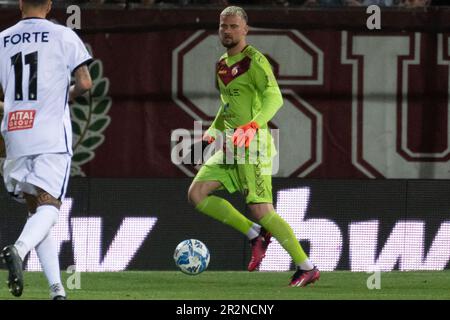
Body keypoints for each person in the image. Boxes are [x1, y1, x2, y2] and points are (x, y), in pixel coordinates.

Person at [187, 6, 320, 287]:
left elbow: (275, 98)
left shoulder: (255, 61)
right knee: (197, 194)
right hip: (232, 146)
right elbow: (227, 108)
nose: (227, 30)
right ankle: (255, 234)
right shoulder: (222, 64)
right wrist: (210, 136)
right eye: (224, 26)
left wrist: (253, 125)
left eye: (234, 26)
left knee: (261, 208)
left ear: (245, 29)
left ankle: (307, 267)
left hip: (253, 145)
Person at [0, 0, 93, 299]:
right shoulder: (63, 35)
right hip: (50, 134)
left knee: (35, 210)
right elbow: (85, 83)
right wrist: (62, 98)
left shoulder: (1, 39)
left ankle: (57, 291)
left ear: (20, 4)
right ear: (50, 5)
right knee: (50, 205)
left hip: (14, 132)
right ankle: (19, 249)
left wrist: (13, 107)